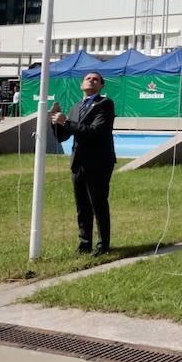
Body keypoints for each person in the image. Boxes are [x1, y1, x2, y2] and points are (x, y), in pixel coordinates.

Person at [49, 71, 116, 255]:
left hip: (99, 162)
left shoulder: (105, 104)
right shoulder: (76, 106)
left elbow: (94, 131)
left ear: (101, 86)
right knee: (82, 206)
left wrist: (66, 122)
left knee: (98, 203)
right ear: (81, 84)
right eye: (88, 78)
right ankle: (84, 244)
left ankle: (103, 245)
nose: (92, 81)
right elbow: (63, 136)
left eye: (96, 79)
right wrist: (55, 121)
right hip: (78, 163)